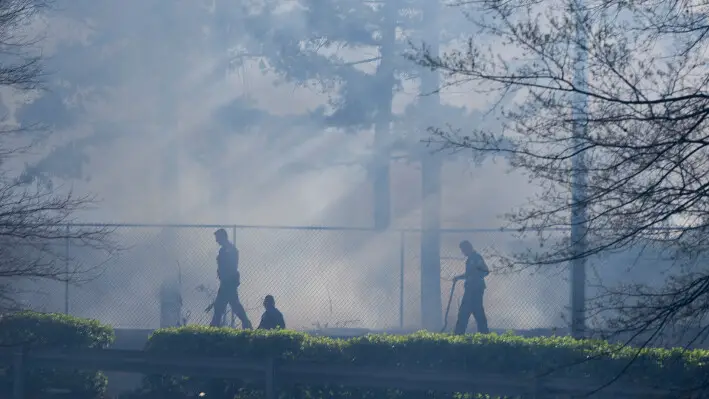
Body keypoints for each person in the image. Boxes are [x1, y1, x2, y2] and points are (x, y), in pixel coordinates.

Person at [209, 228, 252, 329]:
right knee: (230, 305)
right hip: (226, 282)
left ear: (223, 237)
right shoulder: (225, 249)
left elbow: (231, 267)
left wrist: (226, 281)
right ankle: (246, 324)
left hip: (228, 283)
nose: (216, 240)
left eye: (218, 238)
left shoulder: (230, 250)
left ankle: (213, 328)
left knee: (224, 306)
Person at [453, 240, 490, 334]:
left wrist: (475, 277)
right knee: (469, 312)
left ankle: (459, 334)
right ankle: (460, 334)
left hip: (476, 290)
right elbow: (469, 274)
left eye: (463, 250)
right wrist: (458, 277)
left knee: (471, 312)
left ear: (468, 248)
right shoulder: (470, 259)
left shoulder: (476, 258)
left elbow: (485, 271)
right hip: (470, 289)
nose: (462, 252)